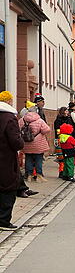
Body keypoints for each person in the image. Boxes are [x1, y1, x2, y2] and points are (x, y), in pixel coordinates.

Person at [0, 92, 24, 231]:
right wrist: (21, 142)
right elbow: (16, 142)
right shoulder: (9, 118)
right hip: (6, 159)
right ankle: (3, 220)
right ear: (9, 101)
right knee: (8, 188)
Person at [20, 106, 51, 182]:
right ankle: (39, 176)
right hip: (38, 143)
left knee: (28, 158)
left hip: (26, 143)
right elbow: (47, 129)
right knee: (38, 159)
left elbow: (18, 129)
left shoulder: (22, 120)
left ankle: (29, 176)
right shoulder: (39, 120)